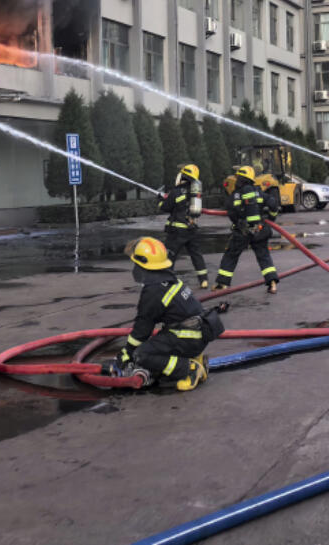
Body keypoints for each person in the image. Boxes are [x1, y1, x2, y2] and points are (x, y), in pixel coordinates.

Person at [108, 236, 222, 390]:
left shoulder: (154, 291)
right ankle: (195, 360)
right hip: (198, 335)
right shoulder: (170, 278)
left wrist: (127, 352)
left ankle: (189, 370)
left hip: (188, 338)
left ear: (143, 265)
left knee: (143, 355)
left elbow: (143, 329)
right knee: (157, 346)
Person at [214, 166, 279, 294]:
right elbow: (273, 203)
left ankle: (222, 284)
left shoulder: (236, 194)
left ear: (240, 179)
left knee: (231, 255)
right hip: (259, 230)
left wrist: (237, 222)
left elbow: (231, 211)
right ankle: (272, 284)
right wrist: (271, 219)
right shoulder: (258, 192)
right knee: (264, 256)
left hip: (242, 232)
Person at [159, 163, 210, 289]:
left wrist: (160, 200)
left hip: (177, 231)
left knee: (169, 255)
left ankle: (166, 281)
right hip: (191, 229)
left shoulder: (176, 192)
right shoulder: (195, 192)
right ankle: (204, 280)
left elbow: (165, 207)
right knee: (196, 254)